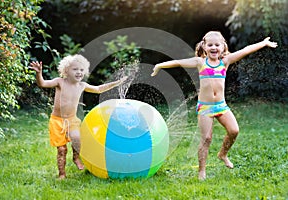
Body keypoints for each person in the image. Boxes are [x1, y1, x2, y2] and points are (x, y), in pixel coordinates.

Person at [151, 31, 277, 180]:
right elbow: (179, 62)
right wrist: (160, 65)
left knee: (234, 130)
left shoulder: (225, 61)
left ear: (223, 47)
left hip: (221, 106)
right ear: (204, 46)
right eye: (210, 45)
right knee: (206, 139)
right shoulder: (200, 62)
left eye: (217, 45)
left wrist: (263, 43)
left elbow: (245, 50)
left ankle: (223, 154)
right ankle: (201, 171)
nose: (213, 47)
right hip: (205, 108)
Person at [29, 54, 127, 179]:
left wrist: (117, 83)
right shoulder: (60, 82)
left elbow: (98, 89)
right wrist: (39, 73)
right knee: (61, 150)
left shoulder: (82, 85)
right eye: (75, 69)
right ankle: (62, 174)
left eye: (81, 70)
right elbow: (42, 83)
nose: (79, 72)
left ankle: (76, 157)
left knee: (77, 138)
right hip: (57, 121)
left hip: (72, 120)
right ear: (66, 70)